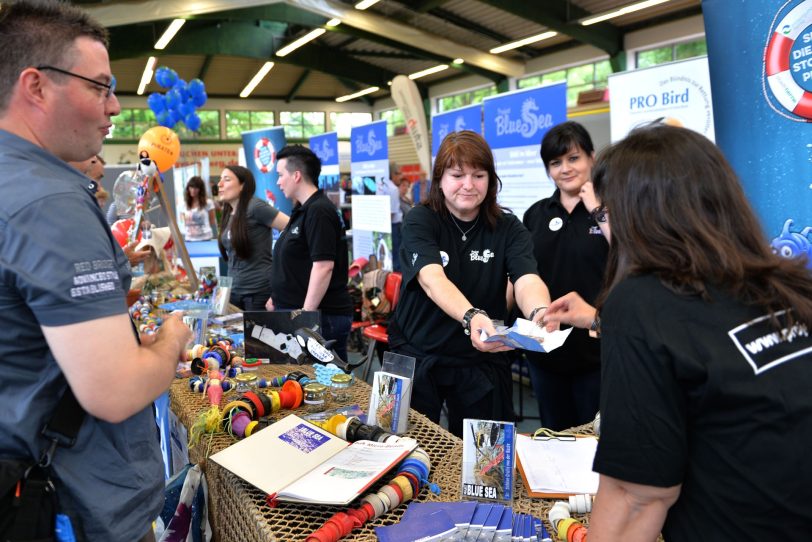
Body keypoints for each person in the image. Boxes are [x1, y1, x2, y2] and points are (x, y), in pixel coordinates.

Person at [543, 124, 812, 540]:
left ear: (640, 215)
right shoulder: (789, 285)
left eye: (605, 214)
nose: (606, 231)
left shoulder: (639, 302)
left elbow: (638, 498)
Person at [0, 2, 192, 541]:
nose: (113, 108)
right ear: (36, 86)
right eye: (100, 87)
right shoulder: (50, 204)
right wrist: (170, 341)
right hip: (71, 503)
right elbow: (113, 388)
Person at [388, 131, 551, 438]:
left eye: (479, 175)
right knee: (409, 450)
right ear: (440, 179)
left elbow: (526, 277)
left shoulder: (508, 227)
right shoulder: (421, 220)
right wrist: (472, 315)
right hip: (419, 352)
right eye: (457, 175)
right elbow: (432, 279)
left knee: (482, 463)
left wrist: (540, 312)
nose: (468, 184)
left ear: (491, 179)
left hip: (481, 359)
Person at [522, 121, 609, 430]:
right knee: (553, 439)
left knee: (595, 443)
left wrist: (597, 207)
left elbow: (630, 255)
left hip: (598, 353)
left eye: (574, 158)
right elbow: (523, 274)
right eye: (555, 162)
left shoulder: (613, 209)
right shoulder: (535, 214)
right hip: (547, 353)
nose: (565, 168)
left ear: (591, 158)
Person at [266, 145, 353, 363]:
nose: (278, 182)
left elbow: (323, 266)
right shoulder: (303, 210)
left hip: (321, 317)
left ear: (296, 176)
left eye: (280, 175)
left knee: (327, 386)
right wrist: (276, 297)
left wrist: (305, 317)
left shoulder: (319, 211)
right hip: (302, 314)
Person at [217, 164, 288, 311]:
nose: (220, 184)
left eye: (227, 179)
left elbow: (293, 228)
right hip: (234, 292)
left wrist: (282, 263)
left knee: (254, 334)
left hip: (257, 293)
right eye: (220, 179)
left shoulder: (255, 207)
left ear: (242, 185)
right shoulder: (228, 212)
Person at [181, 175, 217, 241]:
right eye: (191, 187)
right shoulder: (184, 204)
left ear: (200, 189)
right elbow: (184, 221)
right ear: (188, 188)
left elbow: (212, 221)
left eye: (196, 188)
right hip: (189, 239)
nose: (193, 190)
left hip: (205, 238)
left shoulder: (208, 203)